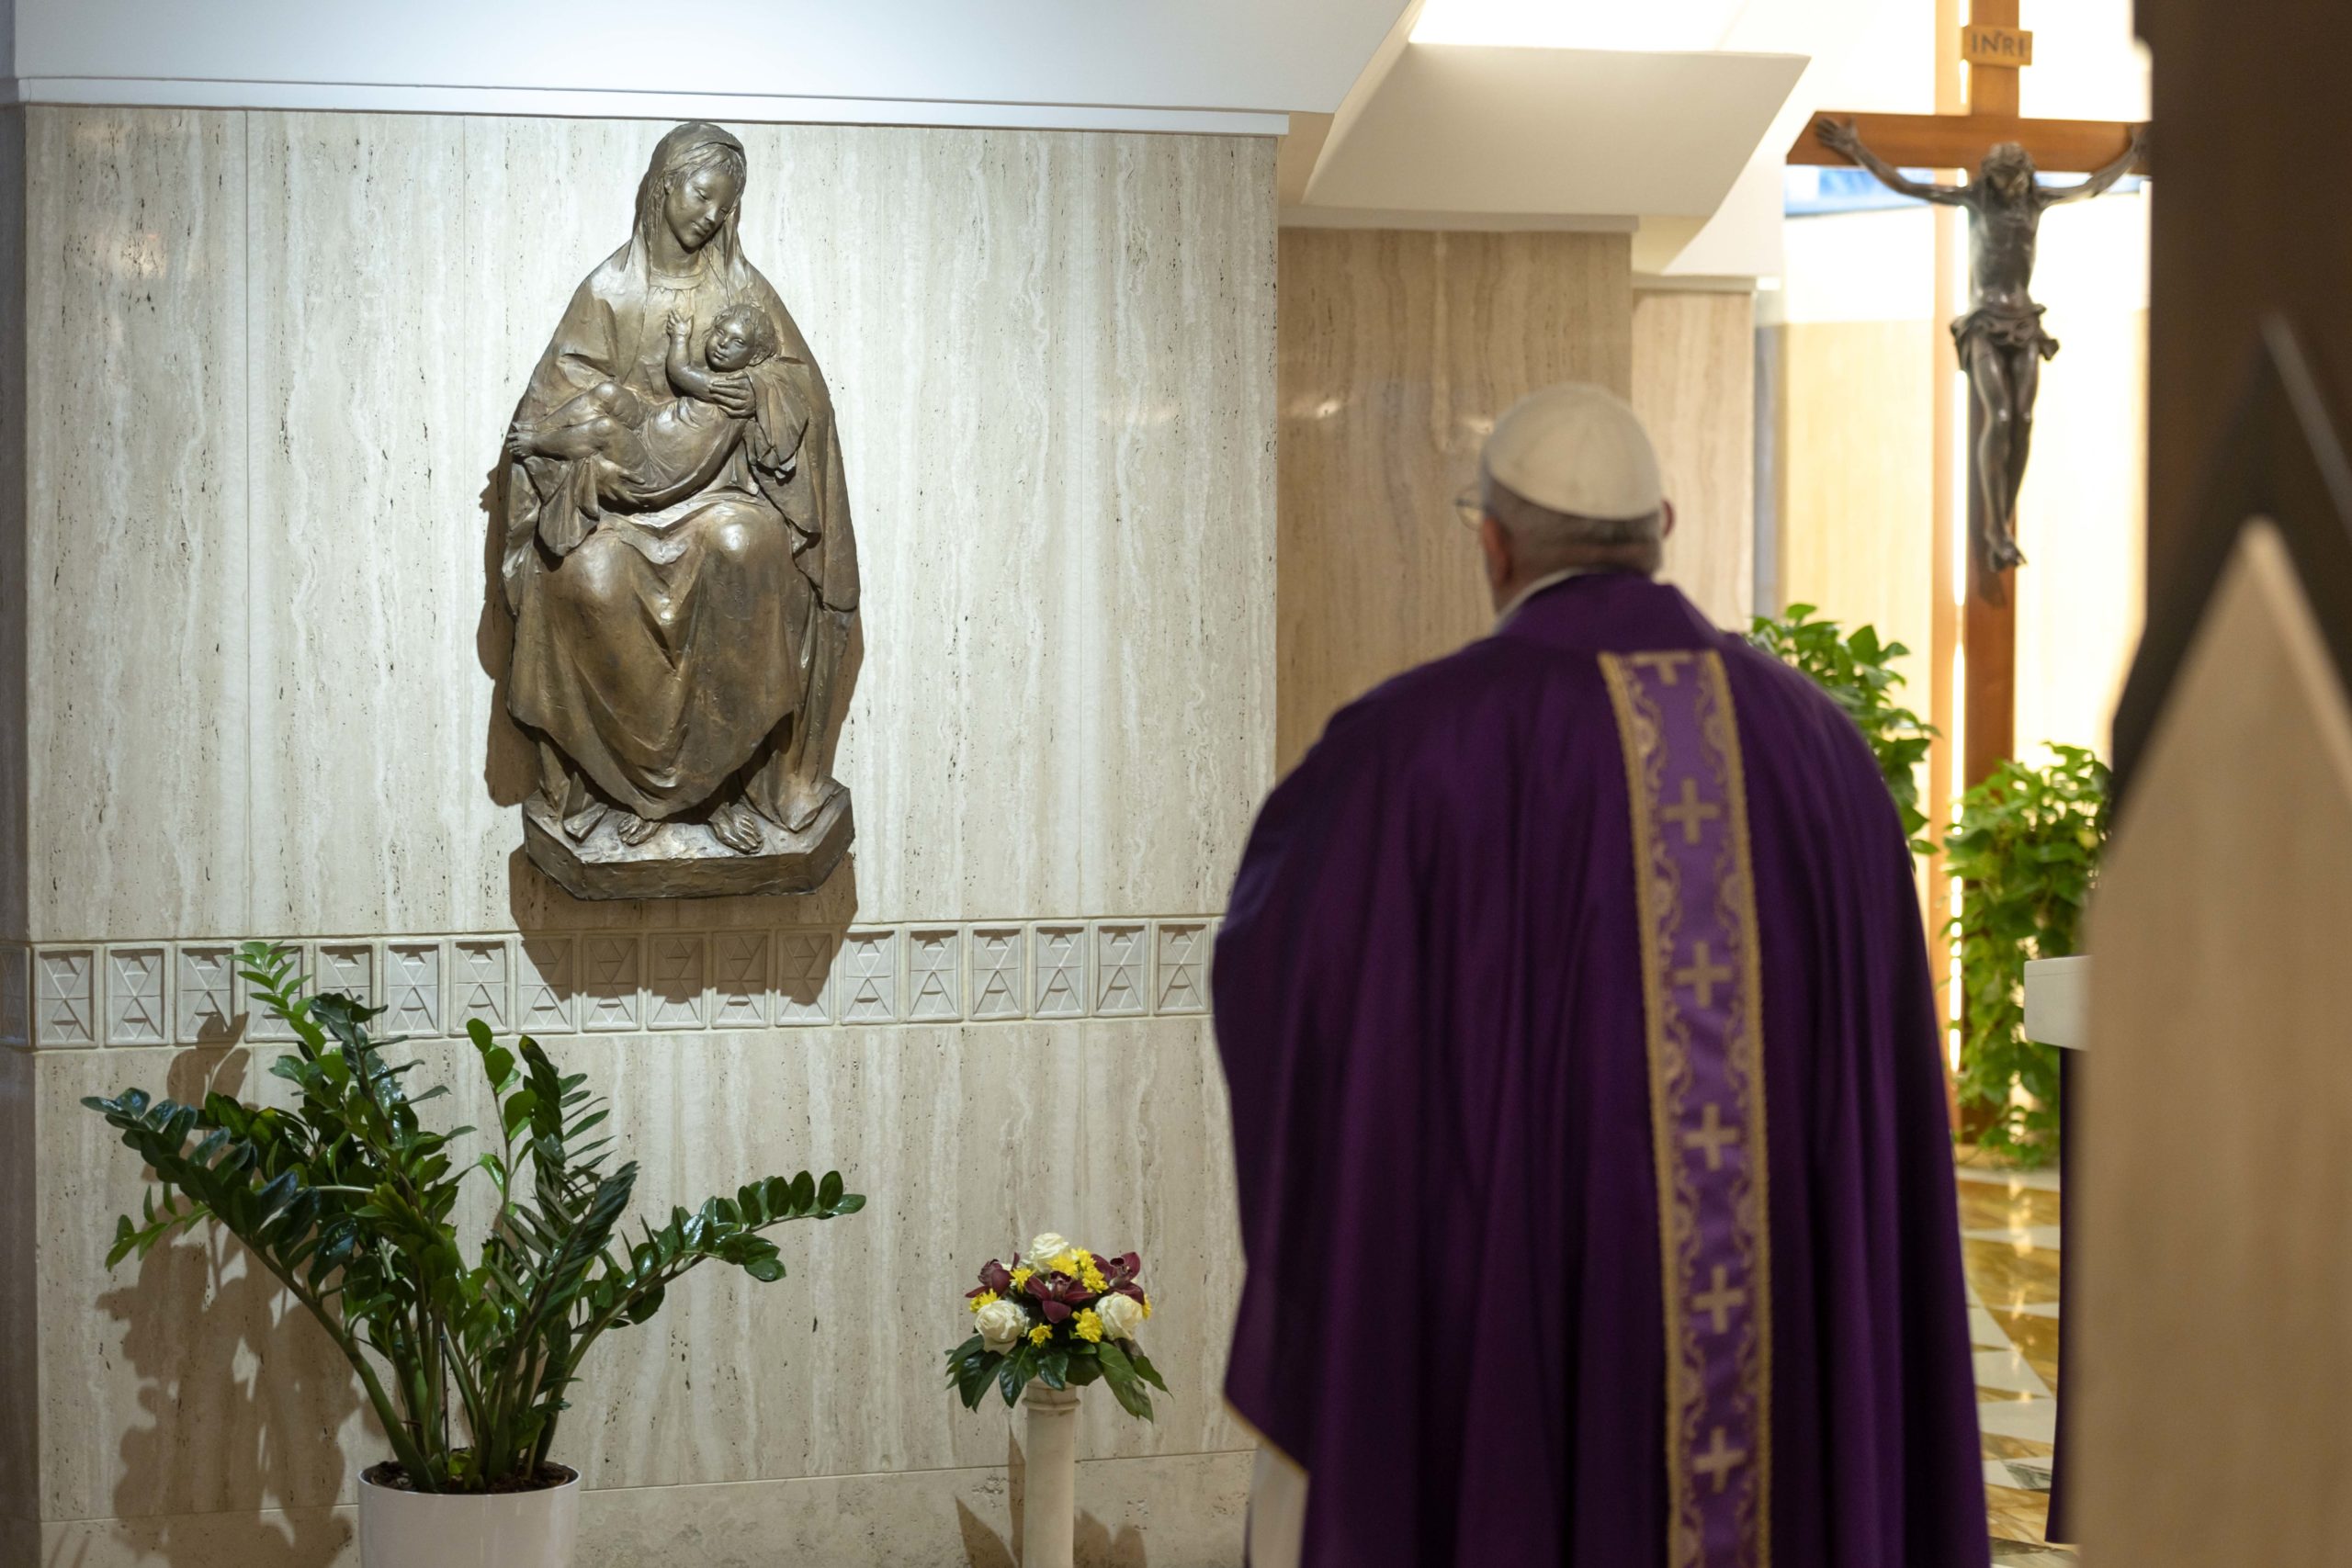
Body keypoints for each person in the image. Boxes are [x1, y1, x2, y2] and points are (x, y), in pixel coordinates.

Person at [1214, 385, 1987, 1567]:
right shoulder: (1822, 753)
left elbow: (1283, 979)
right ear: (1660, 526)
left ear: (1493, 542)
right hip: (1782, 1343)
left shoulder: (1409, 753)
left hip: (1526, 1318)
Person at [503, 121, 858, 856]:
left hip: (717, 491)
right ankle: (635, 790)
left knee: (745, 544)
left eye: (726, 206)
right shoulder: (608, 293)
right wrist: (594, 464)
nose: (711, 215)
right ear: (665, 184)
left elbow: (804, 389)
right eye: (701, 194)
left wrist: (758, 390)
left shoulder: (742, 290)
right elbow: (553, 402)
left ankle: (724, 787)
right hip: (618, 502)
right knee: (588, 575)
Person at [506, 304, 803, 514]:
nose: (722, 344)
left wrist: (680, 337)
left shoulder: (736, 388)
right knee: (607, 393)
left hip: (653, 470)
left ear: (755, 357)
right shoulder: (729, 380)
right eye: (720, 332)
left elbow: (680, 372)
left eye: (737, 342)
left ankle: (536, 443)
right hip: (649, 423)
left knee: (605, 430)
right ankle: (543, 426)